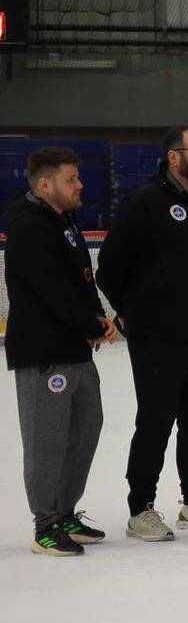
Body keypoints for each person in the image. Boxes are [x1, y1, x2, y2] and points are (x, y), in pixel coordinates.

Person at [95, 127, 188, 540]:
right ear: (175, 157)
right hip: (157, 338)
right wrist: (136, 313)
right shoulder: (145, 203)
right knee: (156, 422)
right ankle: (140, 508)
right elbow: (110, 268)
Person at [5, 147, 115, 555]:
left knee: (86, 428)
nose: (80, 185)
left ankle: (65, 511)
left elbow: (82, 280)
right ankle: (46, 524)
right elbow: (50, 289)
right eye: (71, 179)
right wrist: (90, 324)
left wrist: (98, 316)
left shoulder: (63, 221)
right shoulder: (29, 228)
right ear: (45, 184)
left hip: (76, 350)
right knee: (46, 439)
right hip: (44, 353)